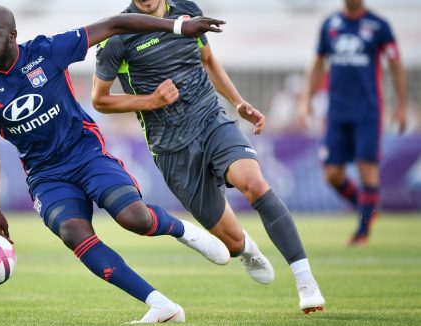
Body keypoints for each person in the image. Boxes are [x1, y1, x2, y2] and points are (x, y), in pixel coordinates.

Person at [0, 5, 232, 324]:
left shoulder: (47, 52)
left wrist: (176, 27)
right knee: (72, 231)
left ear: (12, 35)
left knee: (135, 218)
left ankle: (183, 230)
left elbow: (115, 23)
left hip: (86, 153)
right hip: (45, 175)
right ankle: (161, 305)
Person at [92, 0, 325, 314]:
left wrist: (238, 102)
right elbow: (100, 100)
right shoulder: (118, 35)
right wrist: (150, 100)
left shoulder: (188, 10)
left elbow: (208, 59)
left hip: (210, 119)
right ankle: (247, 250)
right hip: (172, 148)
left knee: (254, 184)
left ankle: (306, 283)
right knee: (230, 243)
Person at [298, 0, 408, 246]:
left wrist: (401, 105)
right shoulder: (330, 24)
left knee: (366, 167)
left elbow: (396, 65)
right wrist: (306, 100)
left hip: (367, 111)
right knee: (332, 174)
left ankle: (362, 232)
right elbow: (317, 64)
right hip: (336, 112)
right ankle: (367, 207)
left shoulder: (379, 26)